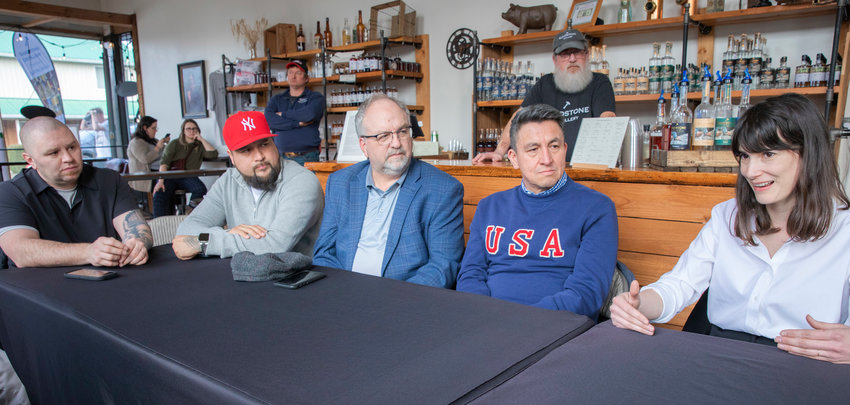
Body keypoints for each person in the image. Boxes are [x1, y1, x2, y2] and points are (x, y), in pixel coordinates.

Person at [610, 94, 850, 364]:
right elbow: (680, 284)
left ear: (810, 154)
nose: (751, 171)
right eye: (745, 156)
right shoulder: (726, 216)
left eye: (768, 154)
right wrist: (637, 304)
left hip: (805, 363)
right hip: (721, 353)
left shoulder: (844, 229)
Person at [457, 104, 618, 318]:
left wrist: (521, 320)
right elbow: (470, 275)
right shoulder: (490, 206)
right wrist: (486, 314)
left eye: (554, 146)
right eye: (533, 149)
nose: (546, 159)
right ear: (513, 158)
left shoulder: (597, 208)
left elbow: (586, 294)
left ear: (565, 150)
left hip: (555, 327)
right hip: (485, 320)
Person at [312, 94, 464, 288]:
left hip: (402, 303)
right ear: (363, 146)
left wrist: (389, 301)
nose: (396, 143)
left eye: (402, 132)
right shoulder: (341, 183)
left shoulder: (442, 189)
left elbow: (443, 266)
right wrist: (342, 291)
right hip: (343, 295)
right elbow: (324, 253)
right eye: (383, 136)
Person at [0, 116, 152, 268]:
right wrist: (88, 252)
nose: (68, 158)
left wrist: (137, 244)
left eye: (72, 147)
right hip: (40, 286)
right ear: (30, 160)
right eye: (53, 153)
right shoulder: (11, 192)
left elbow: (136, 228)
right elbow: (21, 252)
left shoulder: (109, 180)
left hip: (109, 280)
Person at [172, 111, 323, 259]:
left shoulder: (301, 180)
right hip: (244, 275)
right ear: (231, 157)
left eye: (264, 144)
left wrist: (204, 242)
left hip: (297, 278)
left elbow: (275, 245)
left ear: (274, 144)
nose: (259, 156)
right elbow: (186, 230)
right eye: (246, 150)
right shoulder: (228, 181)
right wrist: (227, 234)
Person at [472, 28, 616, 164]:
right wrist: (499, 152)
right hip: (548, 168)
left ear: (587, 55)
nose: (572, 59)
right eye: (565, 54)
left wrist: (593, 162)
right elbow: (519, 117)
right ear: (555, 59)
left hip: (587, 167)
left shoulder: (600, 82)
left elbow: (606, 121)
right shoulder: (545, 84)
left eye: (577, 52)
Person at [152, 119, 219, 217]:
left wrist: (201, 139)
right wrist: (161, 181)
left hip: (189, 176)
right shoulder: (175, 144)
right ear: (183, 131)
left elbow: (213, 154)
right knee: (160, 193)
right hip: (172, 175)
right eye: (188, 129)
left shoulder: (199, 145)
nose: (191, 131)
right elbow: (164, 163)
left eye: (194, 129)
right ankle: (159, 221)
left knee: (200, 189)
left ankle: (189, 212)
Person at [264, 60, 325, 165]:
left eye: (298, 73)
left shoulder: (315, 98)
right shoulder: (277, 99)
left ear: (306, 78)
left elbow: (309, 115)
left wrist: (283, 114)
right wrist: (297, 123)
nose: (293, 76)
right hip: (280, 157)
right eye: (290, 72)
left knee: (307, 182)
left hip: (306, 157)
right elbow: (269, 120)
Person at [127, 116, 169, 211]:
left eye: (156, 128)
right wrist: (158, 148)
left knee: (171, 182)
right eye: (153, 128)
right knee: (165, 186)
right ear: (145, 128)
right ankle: (160, 213)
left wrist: (165, 144)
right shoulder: (136, 142)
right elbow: (145, 159)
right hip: (145, 176)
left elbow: (165, 155)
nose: (155, 131)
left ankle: (168, 212)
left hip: (159, 172)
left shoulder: (153, 141)